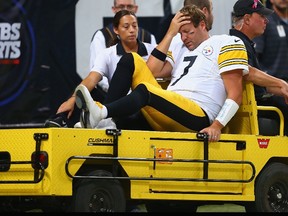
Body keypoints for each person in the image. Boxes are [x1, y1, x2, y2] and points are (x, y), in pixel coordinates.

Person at [75, 5, 249, 142]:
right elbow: (151, 70)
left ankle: (101, 112)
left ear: (203, 25)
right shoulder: (178, 44)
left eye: (189, 32)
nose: (184, 37)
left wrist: (217, 126)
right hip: (169, 107)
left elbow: (235, 93)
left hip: (198, 114)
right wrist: (171, 32)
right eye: (181, 33)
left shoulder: (226, 42)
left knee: (145, 90)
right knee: (131, 59)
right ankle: (105, 121)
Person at [45, 10, 155, 129]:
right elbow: (92, 79)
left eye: (135, 26)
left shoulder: (152, 51)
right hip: (115, 101)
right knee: (85, 92)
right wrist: (72, 100)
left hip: (142, 103)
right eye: (126, 26)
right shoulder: (107, 54)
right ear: (116, 30)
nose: (132, 30)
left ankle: (104, 120)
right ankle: (62, 120)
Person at [230, 0, 288, 135]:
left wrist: (283, 88)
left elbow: (260, 85)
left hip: (258, 99)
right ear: (247, 19)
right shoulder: (235, 43)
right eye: (262, 16)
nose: (266, 20)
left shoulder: (244, 42)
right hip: (255, 104)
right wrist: (280, 83)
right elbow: (247, 71)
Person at [90, 0, 157, 97]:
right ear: (114, 9)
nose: (125, 10)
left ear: (135, 9)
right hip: (112, 94)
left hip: (145, 96)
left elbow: (156, 70)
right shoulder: (102, 36)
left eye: (129, 7)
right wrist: (120, 92)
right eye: (121, 7)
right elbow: (97, 76)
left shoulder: (149, 38)